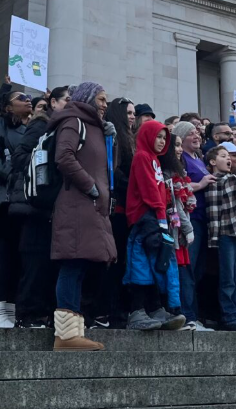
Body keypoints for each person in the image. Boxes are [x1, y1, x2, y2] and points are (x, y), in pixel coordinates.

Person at [49, 82, 117, 351]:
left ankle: (72, 333)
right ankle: (65, 336)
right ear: (88, 98)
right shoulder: (73, 122)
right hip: (78, 203)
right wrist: (90, 187)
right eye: (101, 99)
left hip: (90, 205)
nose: (105, 104)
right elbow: (63, 157)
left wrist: (110, 139)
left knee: (80, 266)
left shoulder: (94, 128)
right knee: (73, 263)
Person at [123, 120, 185, 331]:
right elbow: (149, 190)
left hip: (156, 216)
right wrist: (159, 217)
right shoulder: (142, 157)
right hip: (144, 217)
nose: (161, 141)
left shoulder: (155, 160)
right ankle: (136, 311)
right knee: (141, 264)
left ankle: (155, 308)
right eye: (158, 137)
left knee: (155, 264)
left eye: (164, 137)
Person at [0, 90, 35, 327]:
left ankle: (11, 311)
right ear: (7, 107)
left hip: (21, 202)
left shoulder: (27, 130)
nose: (28, 100)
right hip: (2, 201)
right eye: (21, 98)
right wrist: (12, 175)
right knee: (2, 256)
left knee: (16, 257)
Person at [7, 95, 54, 329]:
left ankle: (40, 313)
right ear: (54, 102)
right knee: (34, 261)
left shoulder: (58, 127)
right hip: (34, 204)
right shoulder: (40, 125)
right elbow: (21, 158)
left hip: (47, 207)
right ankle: (27, 313)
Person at [94, 97, 136, 328]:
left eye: (134, 113)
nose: (133, 117)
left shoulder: (131, 138)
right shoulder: (114, 137)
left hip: (128, 208)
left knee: (123, 263)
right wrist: (134, 185)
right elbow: (114, 171)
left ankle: (119, 311)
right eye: (128, 113)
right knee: (113, 262)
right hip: (117, 208)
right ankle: (105, 311)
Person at [175, 121, 216, 331]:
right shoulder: (181, 158)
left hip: (202, 219)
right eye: (191, 133)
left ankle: (193, 314)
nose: (196, 135)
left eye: (197, 132)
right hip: (189, 219)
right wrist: (200, 185)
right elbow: (179, 183)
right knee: (188, 268)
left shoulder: (198, 158)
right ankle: (186, 315)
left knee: (197, 271)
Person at [205, 144, 236, 331]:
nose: (229, 159)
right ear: (213, 162)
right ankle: (230, 316)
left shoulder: (232, 179)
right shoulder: (217, 181)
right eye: (223, 156)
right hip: (226, 233)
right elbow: (214, 211)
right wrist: (214, 238)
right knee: (228, 278)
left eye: (229, 156)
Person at [160, 132, 195, 275]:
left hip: (181, 231)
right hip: (174, 231)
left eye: (181, 145)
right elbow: (173, 206)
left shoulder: (179, 172)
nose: (180, 150)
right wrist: (187, 228)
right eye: (176, 145)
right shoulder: (167, 173)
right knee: (176, 275)